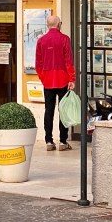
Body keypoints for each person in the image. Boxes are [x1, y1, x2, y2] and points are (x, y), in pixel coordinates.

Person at [35, 15, 76, 151]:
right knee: (63, 110)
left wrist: (43, 77)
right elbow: (68, 61)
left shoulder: (41, 41)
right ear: (59, 24)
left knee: (49, 111)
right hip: (63, 79)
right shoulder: (64, 39)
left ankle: (49, 141)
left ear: (48, 25)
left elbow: (38, 64)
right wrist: (71, 79)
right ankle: (63, 141)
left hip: (47, 80)